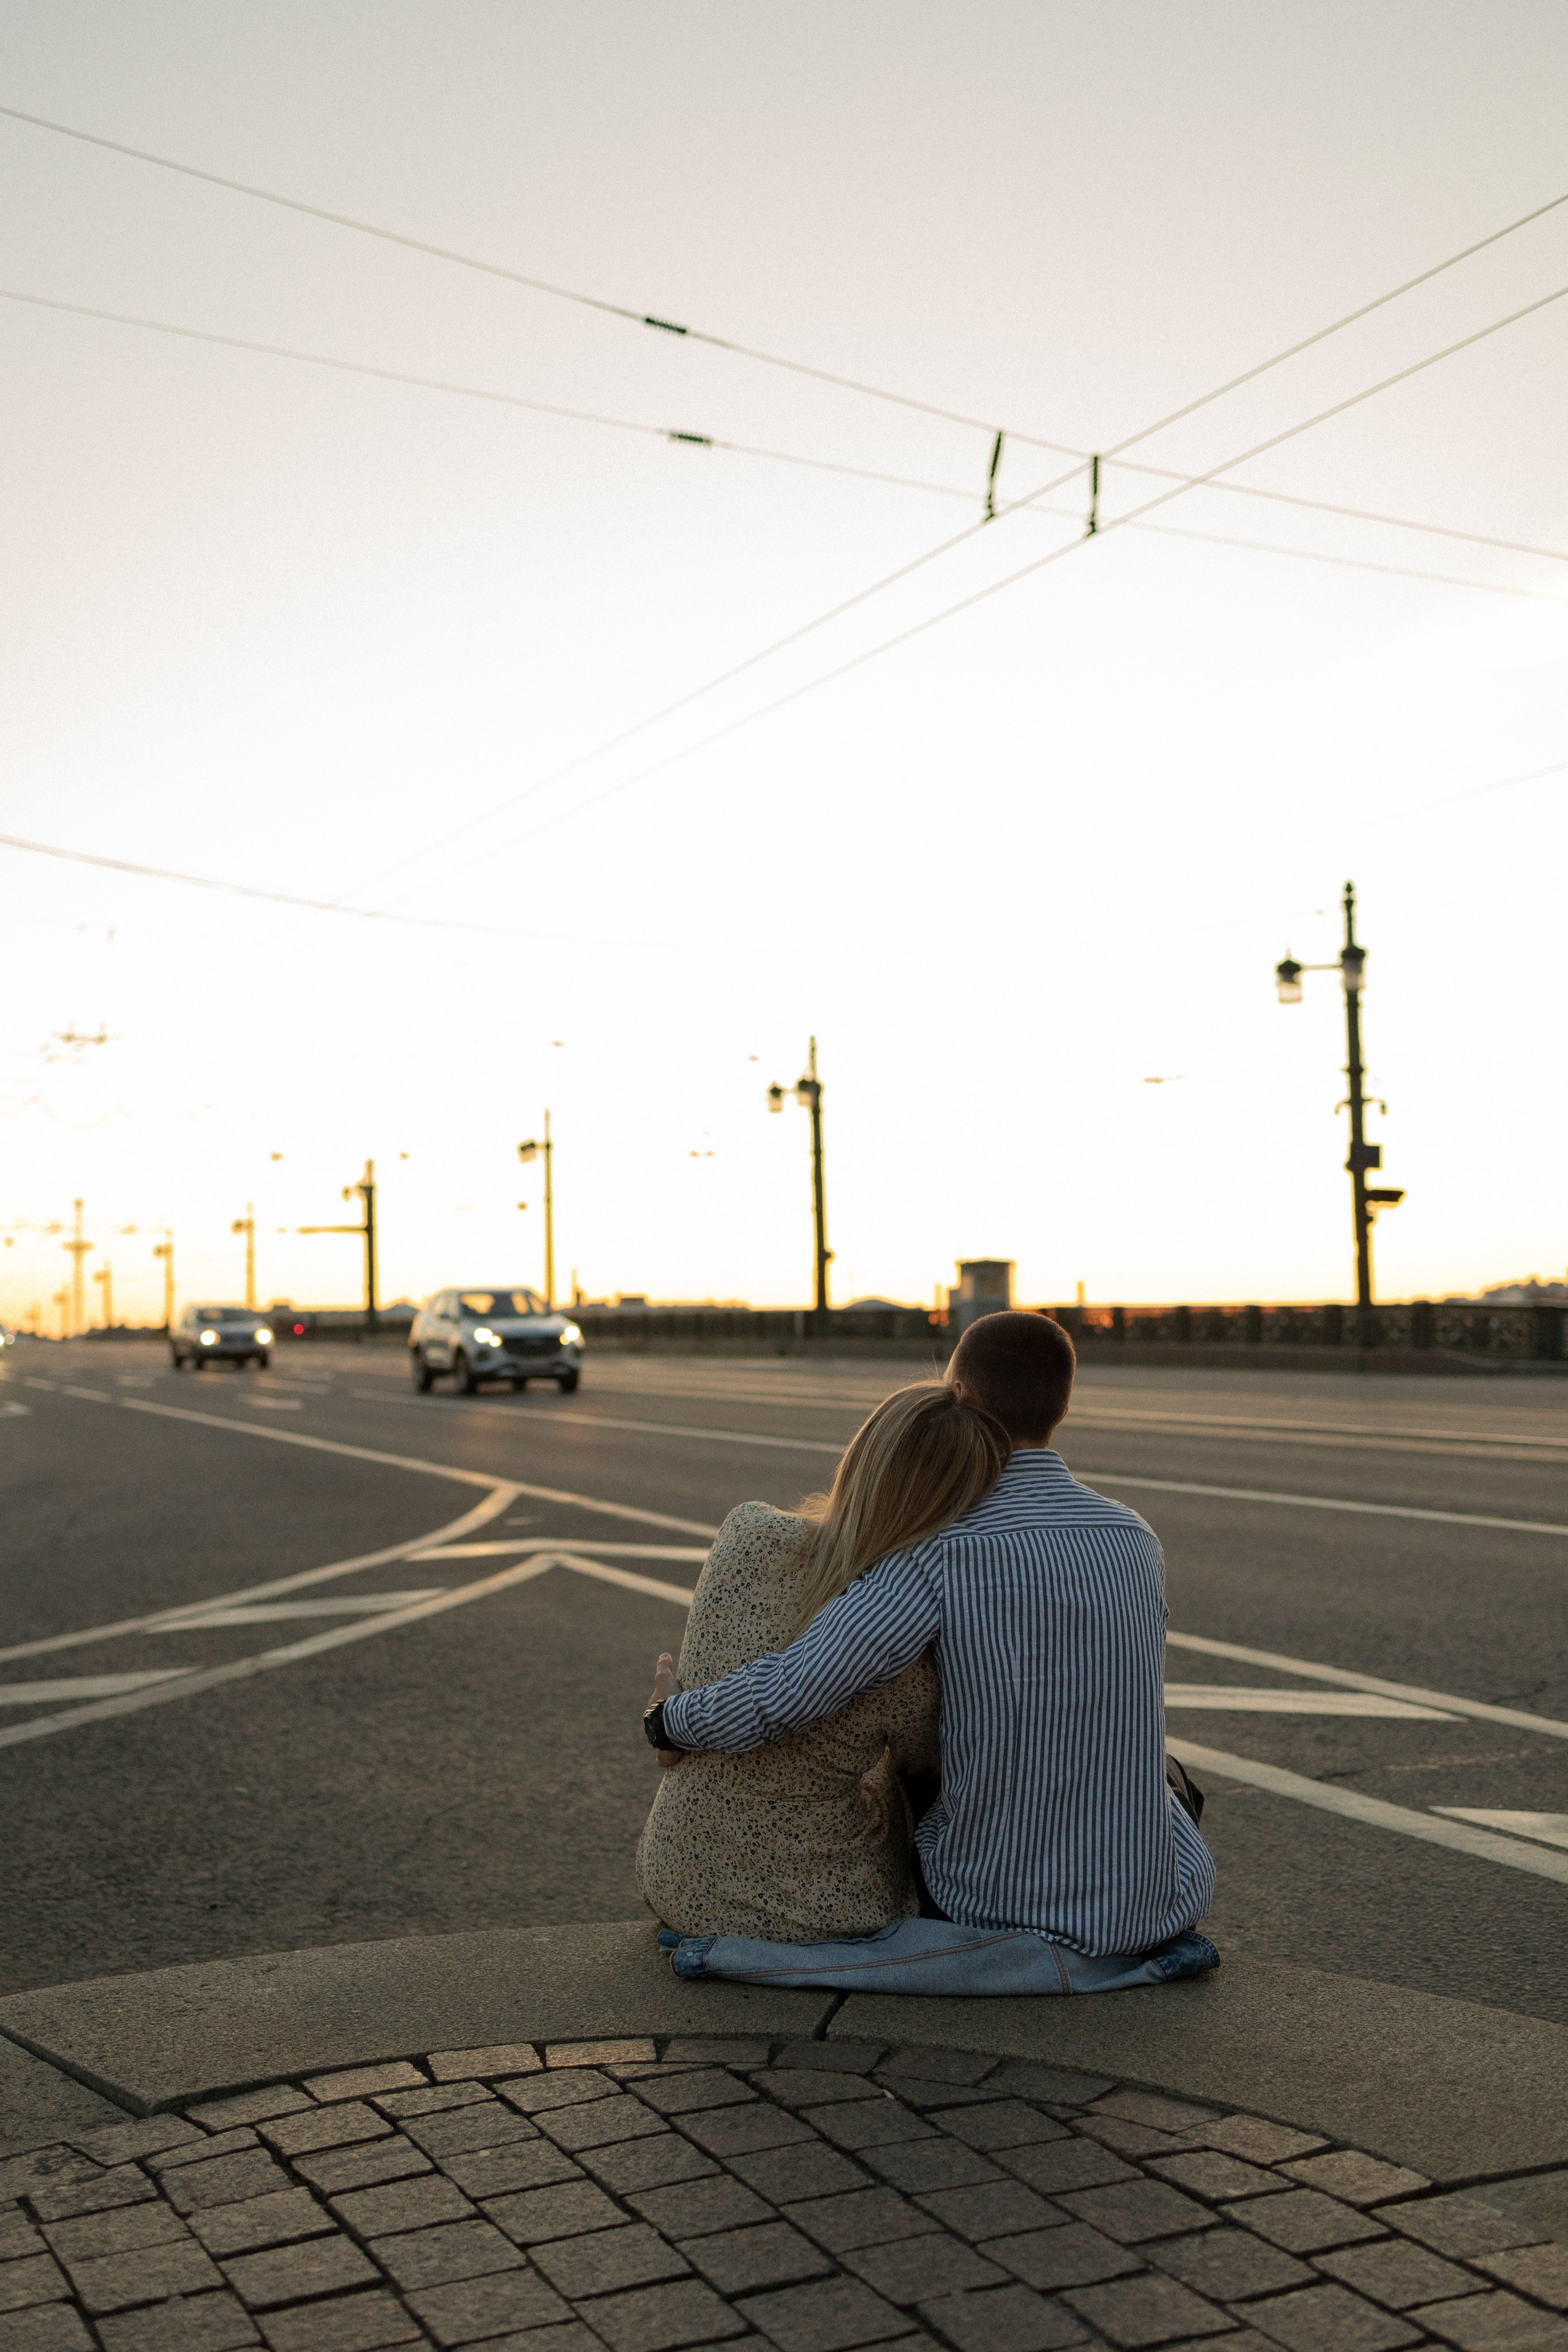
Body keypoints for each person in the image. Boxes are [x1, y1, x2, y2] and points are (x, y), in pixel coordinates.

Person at [641, 1310, 1219, 1995]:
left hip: (993, 1904)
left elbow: (791, 1690)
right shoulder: (1132, 1535)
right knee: (1162, 1768)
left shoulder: (937, 1549)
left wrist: (668, 1721)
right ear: (1062, 1406)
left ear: (961, 1401)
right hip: (1159, 1900)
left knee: (917, 1762)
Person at [635, 1382, 1008, 1941]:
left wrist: (667, 1717)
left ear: (863, 1457)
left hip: (676, 1876)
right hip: (811, 1912)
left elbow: (715, 1682)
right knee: (911, 1779)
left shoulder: (747, 1531)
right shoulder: (900, 1637)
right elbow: (933, 1772)